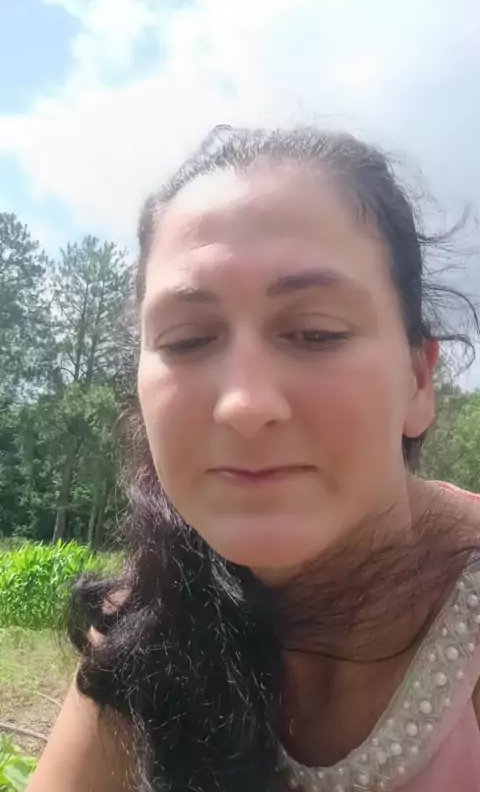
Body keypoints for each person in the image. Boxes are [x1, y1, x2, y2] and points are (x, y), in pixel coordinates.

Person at [27, 125, 480, 792]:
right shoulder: (148, 623)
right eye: (186, 340)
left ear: (418, 380)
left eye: (315, 333)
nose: (244, 403)